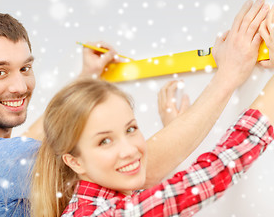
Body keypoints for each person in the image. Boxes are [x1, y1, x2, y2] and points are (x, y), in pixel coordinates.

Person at [0, 0, 269, 216]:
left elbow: (37, 139)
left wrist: (86, 79)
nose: (20, 85)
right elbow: (142, 169)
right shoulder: (4, 167)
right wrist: (230, 75)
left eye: (25, 67)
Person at [30, 72, 274, 216]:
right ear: (75, 161)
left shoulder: (96, 203)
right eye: (104, 141)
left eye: (131, 129)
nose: (129, 150)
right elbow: (213, 175)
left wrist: (176, 129)